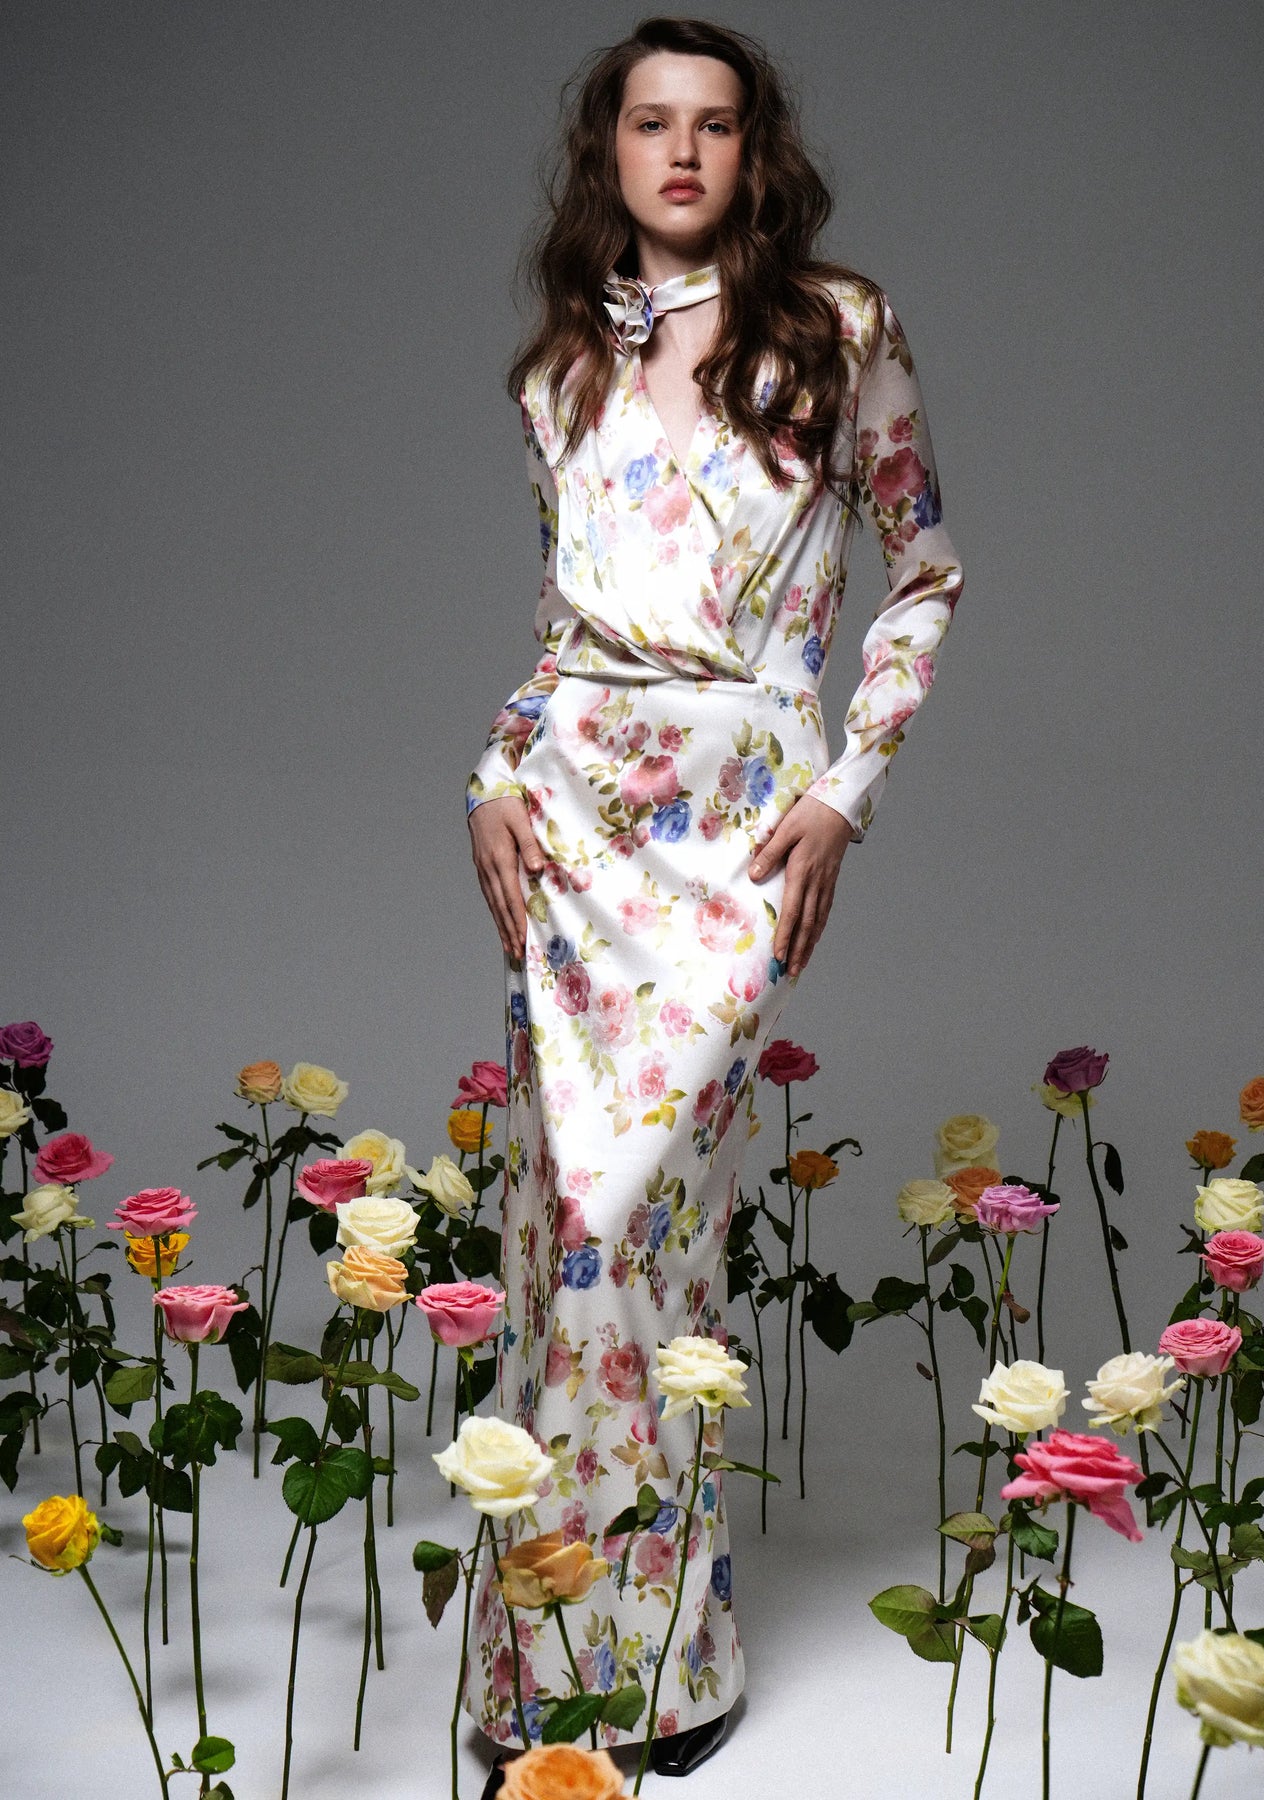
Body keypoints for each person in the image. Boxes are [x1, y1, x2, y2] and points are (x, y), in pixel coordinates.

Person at [463, 15, 963, 1793]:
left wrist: (843, 791)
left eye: (717, 124)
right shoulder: (563, 369)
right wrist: (490, 774)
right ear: (604, 149)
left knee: (633, 1211)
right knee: (567, 1234)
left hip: (739, 821)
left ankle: (637, 1658)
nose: (681, 152)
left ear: (756, 154)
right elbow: (560, 632)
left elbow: (922, 573)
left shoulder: (837, 327)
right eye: (650, 122)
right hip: (568, 815)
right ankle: (593, 1679)